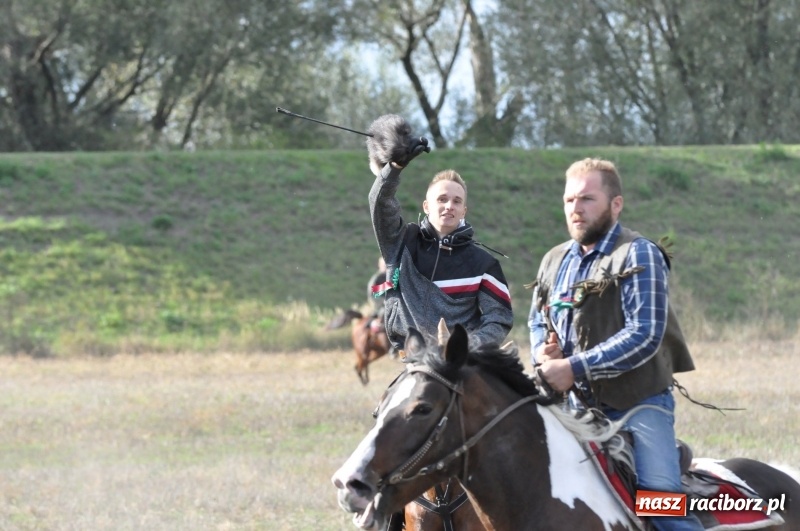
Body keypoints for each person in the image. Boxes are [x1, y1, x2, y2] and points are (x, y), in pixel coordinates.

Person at [528, 157, 701, 530]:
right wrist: (543, 352)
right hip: (572, 410)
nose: (576, 208)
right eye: (569, 200)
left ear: (615, 204)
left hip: (639, 405)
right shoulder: (553, 260)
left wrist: (573, 367)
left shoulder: (639, 253)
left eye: (587, 199)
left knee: (661, 507)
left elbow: (644, 334)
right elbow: (536, 321)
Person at [369, 160, 513, 353]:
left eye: (457, 201)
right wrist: (393, 168)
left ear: (464, 211)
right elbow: (380, 204)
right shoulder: (400, 242)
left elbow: (499, 319)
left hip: (461, 362)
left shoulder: (484, 264)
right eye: (442, 199)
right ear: (426, 206)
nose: (449, 206)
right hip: (413, 359)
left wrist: (464, 346)